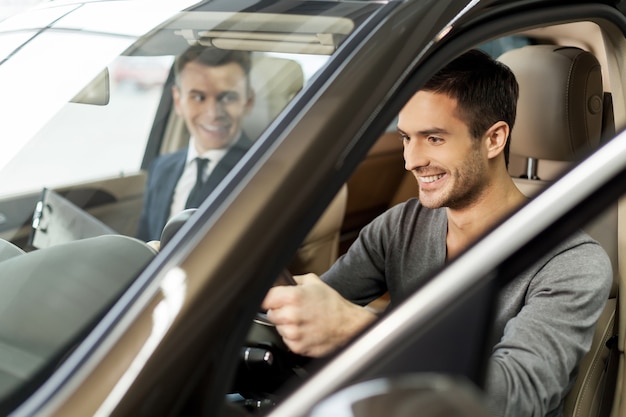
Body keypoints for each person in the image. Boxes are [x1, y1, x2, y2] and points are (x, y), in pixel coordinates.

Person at [261, 50, 613, 417]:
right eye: (405, 138)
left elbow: (515, 397)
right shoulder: (399, 226)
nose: (411, 160)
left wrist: (357, 329)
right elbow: (318, 313)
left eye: (433, 138)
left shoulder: (572, 263)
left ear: (494, 139)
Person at [137, 44, 255, 242]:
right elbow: (142, 246)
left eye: (228, 97)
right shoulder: (161, 168)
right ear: (177, 101)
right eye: (198, 97)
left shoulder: (262, 174)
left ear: (248, 100)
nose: (213, 114)